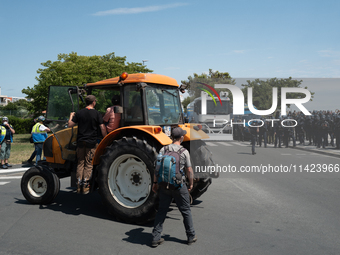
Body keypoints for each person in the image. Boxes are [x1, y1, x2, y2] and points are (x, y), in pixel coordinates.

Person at [151, 127, 196, 247]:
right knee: (186, 211)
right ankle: (191, 236)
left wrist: (155, 183)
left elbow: (157, 168)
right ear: (181, 138)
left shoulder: (163, 149)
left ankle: (156, 237)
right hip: (178, 186)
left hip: (164, 185)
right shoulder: (184, 151)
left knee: (161, 211)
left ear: (171, 137)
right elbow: (189, 170)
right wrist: (191, 183)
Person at [68, 95, 107, 194]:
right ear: (93, 102)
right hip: (91, 142)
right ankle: (85, 186)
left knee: (80, 163)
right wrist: (106, 138)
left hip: (80, 142)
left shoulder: (79, 113)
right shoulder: (97, 113)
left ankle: (78, 185)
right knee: (88, 164)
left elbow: (70, 125)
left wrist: (71, 116)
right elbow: (102, 127)